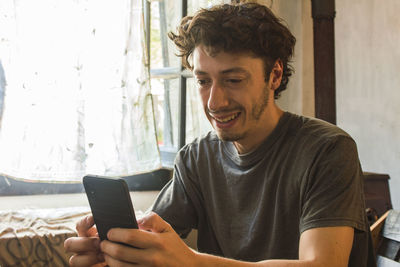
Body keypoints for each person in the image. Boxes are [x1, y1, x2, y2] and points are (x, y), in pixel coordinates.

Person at [64, 2, 376, 266]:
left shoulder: (328, 150)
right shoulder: (196, 158)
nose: (214, 102)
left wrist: (190, 261)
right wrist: (115, 252)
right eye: (203, 81)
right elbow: (156, 246)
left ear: (275, 75)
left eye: (233, 80)